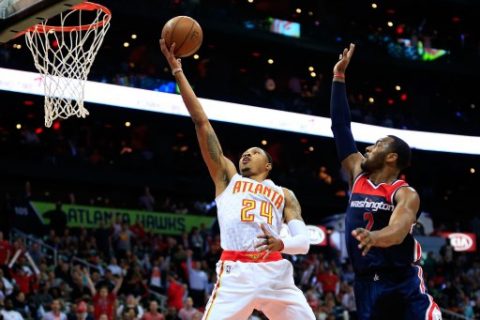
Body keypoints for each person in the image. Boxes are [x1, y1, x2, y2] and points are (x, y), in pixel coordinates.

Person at [160, 39, 315, 320]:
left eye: (254, 152)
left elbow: (303, 242)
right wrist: (178, 72)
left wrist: (282, 244)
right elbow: (201, 122)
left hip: (275, 272)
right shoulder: (227, 178)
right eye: (244, 152)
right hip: (236, 273)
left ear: (268, 165)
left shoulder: (284, 194)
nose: (246, 154)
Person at [330, 43, 442, 320]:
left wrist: (374, 237)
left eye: (378, 145)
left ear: (391, 157)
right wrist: (338, 78)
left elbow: (399, 231)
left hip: (402, 282)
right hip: (366, 283)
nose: (368, 148)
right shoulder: (357, 173)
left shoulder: (404, 193)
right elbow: (341, 127)